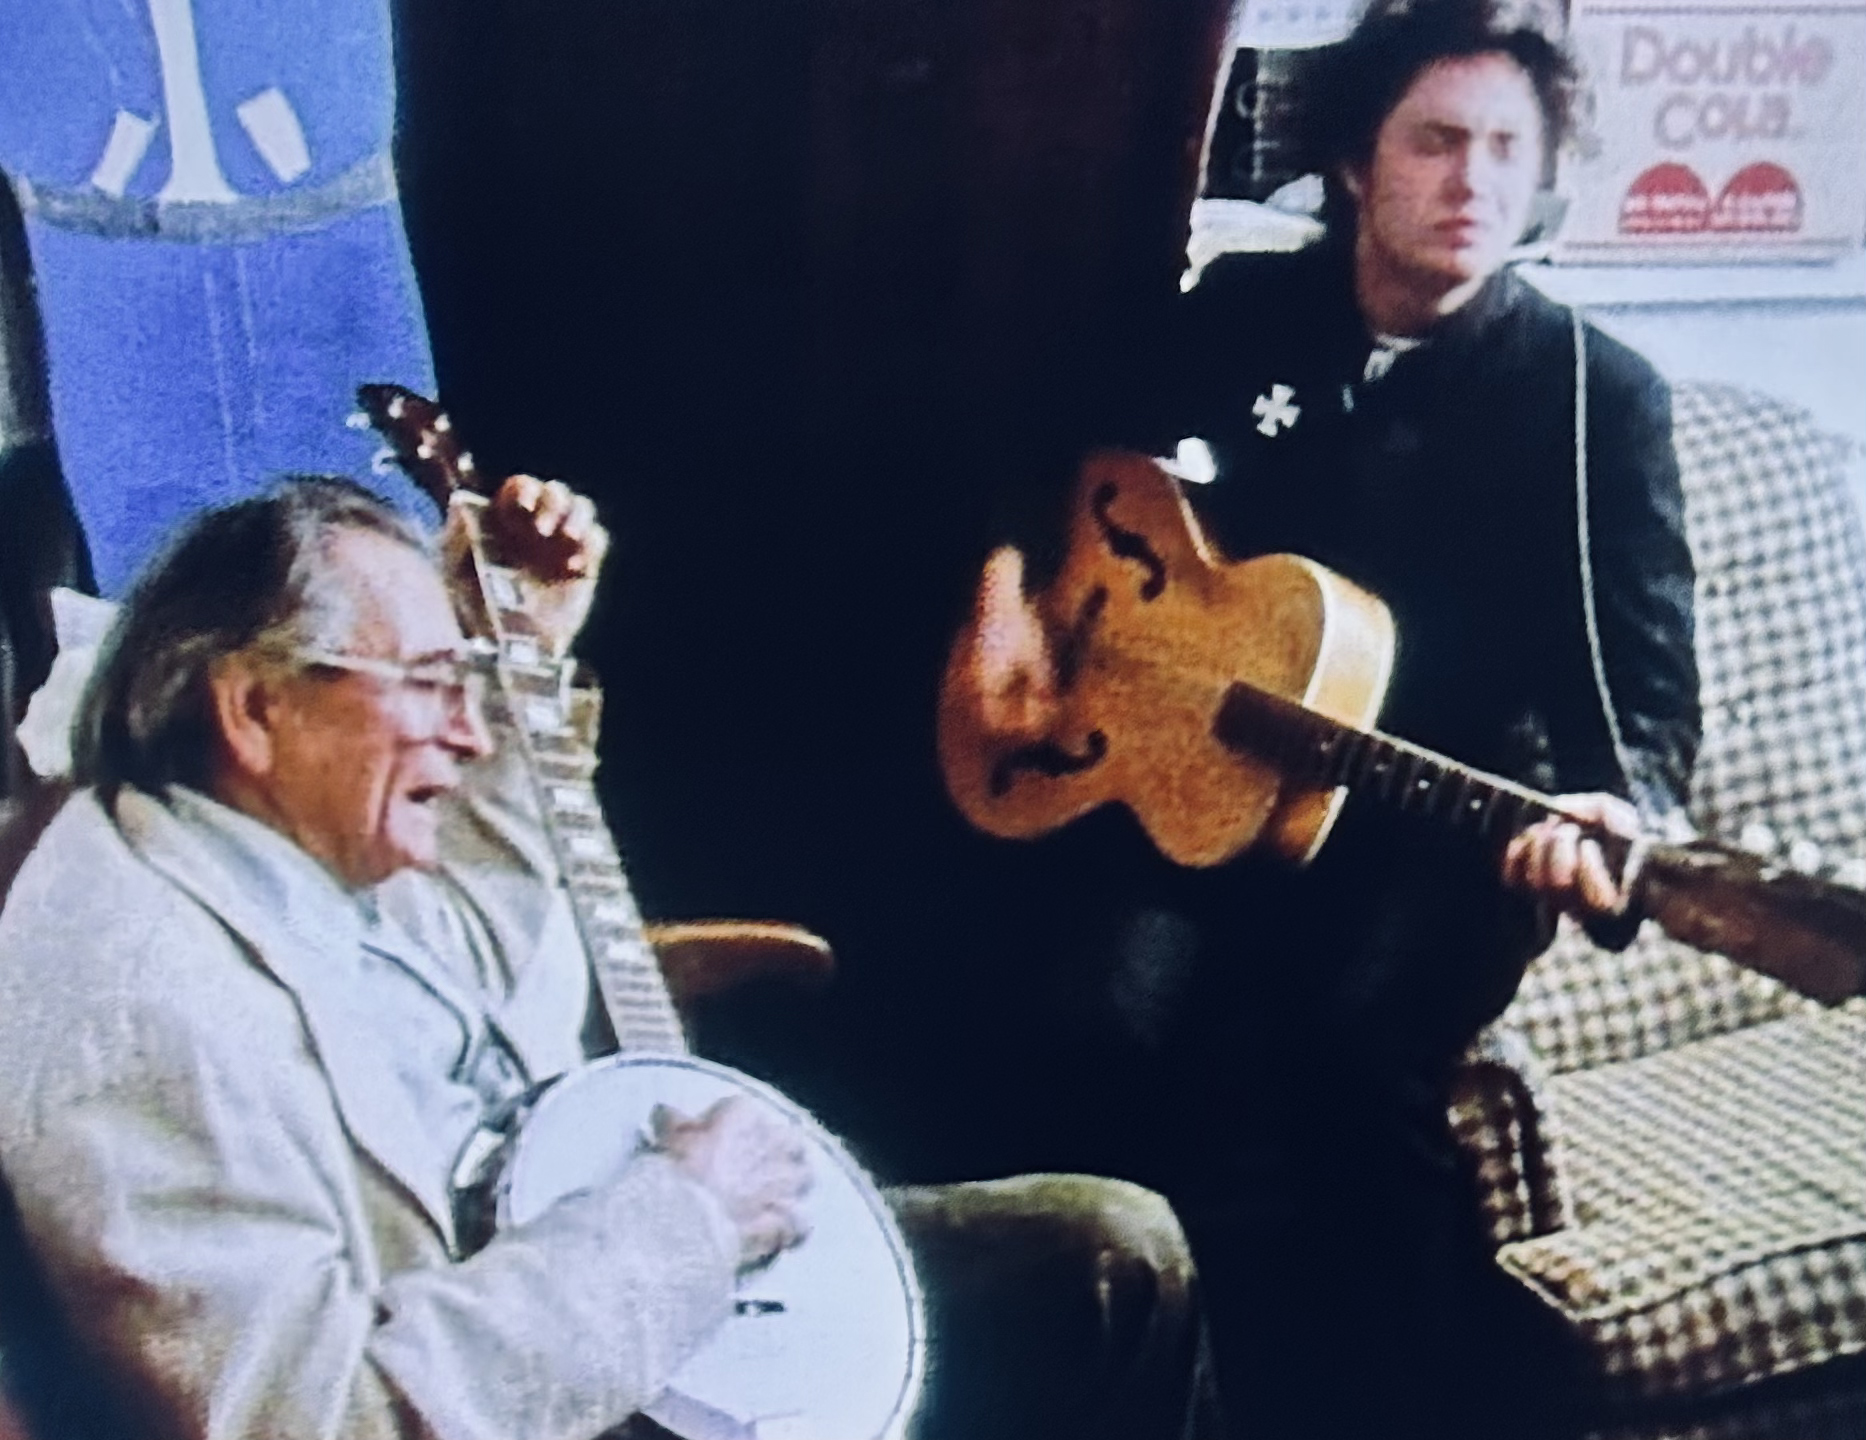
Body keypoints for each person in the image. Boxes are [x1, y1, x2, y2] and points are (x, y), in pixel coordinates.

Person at [0, 474, 1218, 1440]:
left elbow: (499, 941)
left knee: (1113, 1255)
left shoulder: (275, 847)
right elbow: (320, 1419)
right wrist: (681, 1220)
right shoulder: (145, 1006)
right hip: (574, 1335)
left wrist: (520, 640)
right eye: (430, 684)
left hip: (589, 1280)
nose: (469, 729)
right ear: (256, 709)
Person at [943, 0, 1699, 1436]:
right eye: (1432, 141)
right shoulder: (1239, 314)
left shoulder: (1594, 399)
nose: (1469, 180)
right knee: (1085, 1021)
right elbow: (1052, 442)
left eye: (1502, 149)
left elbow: (1641, 708)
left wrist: (1613, 819)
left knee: (1342, 1071)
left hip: (1428, 840)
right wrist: (1006, 597)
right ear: (1357, 161)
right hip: (1191, 781)